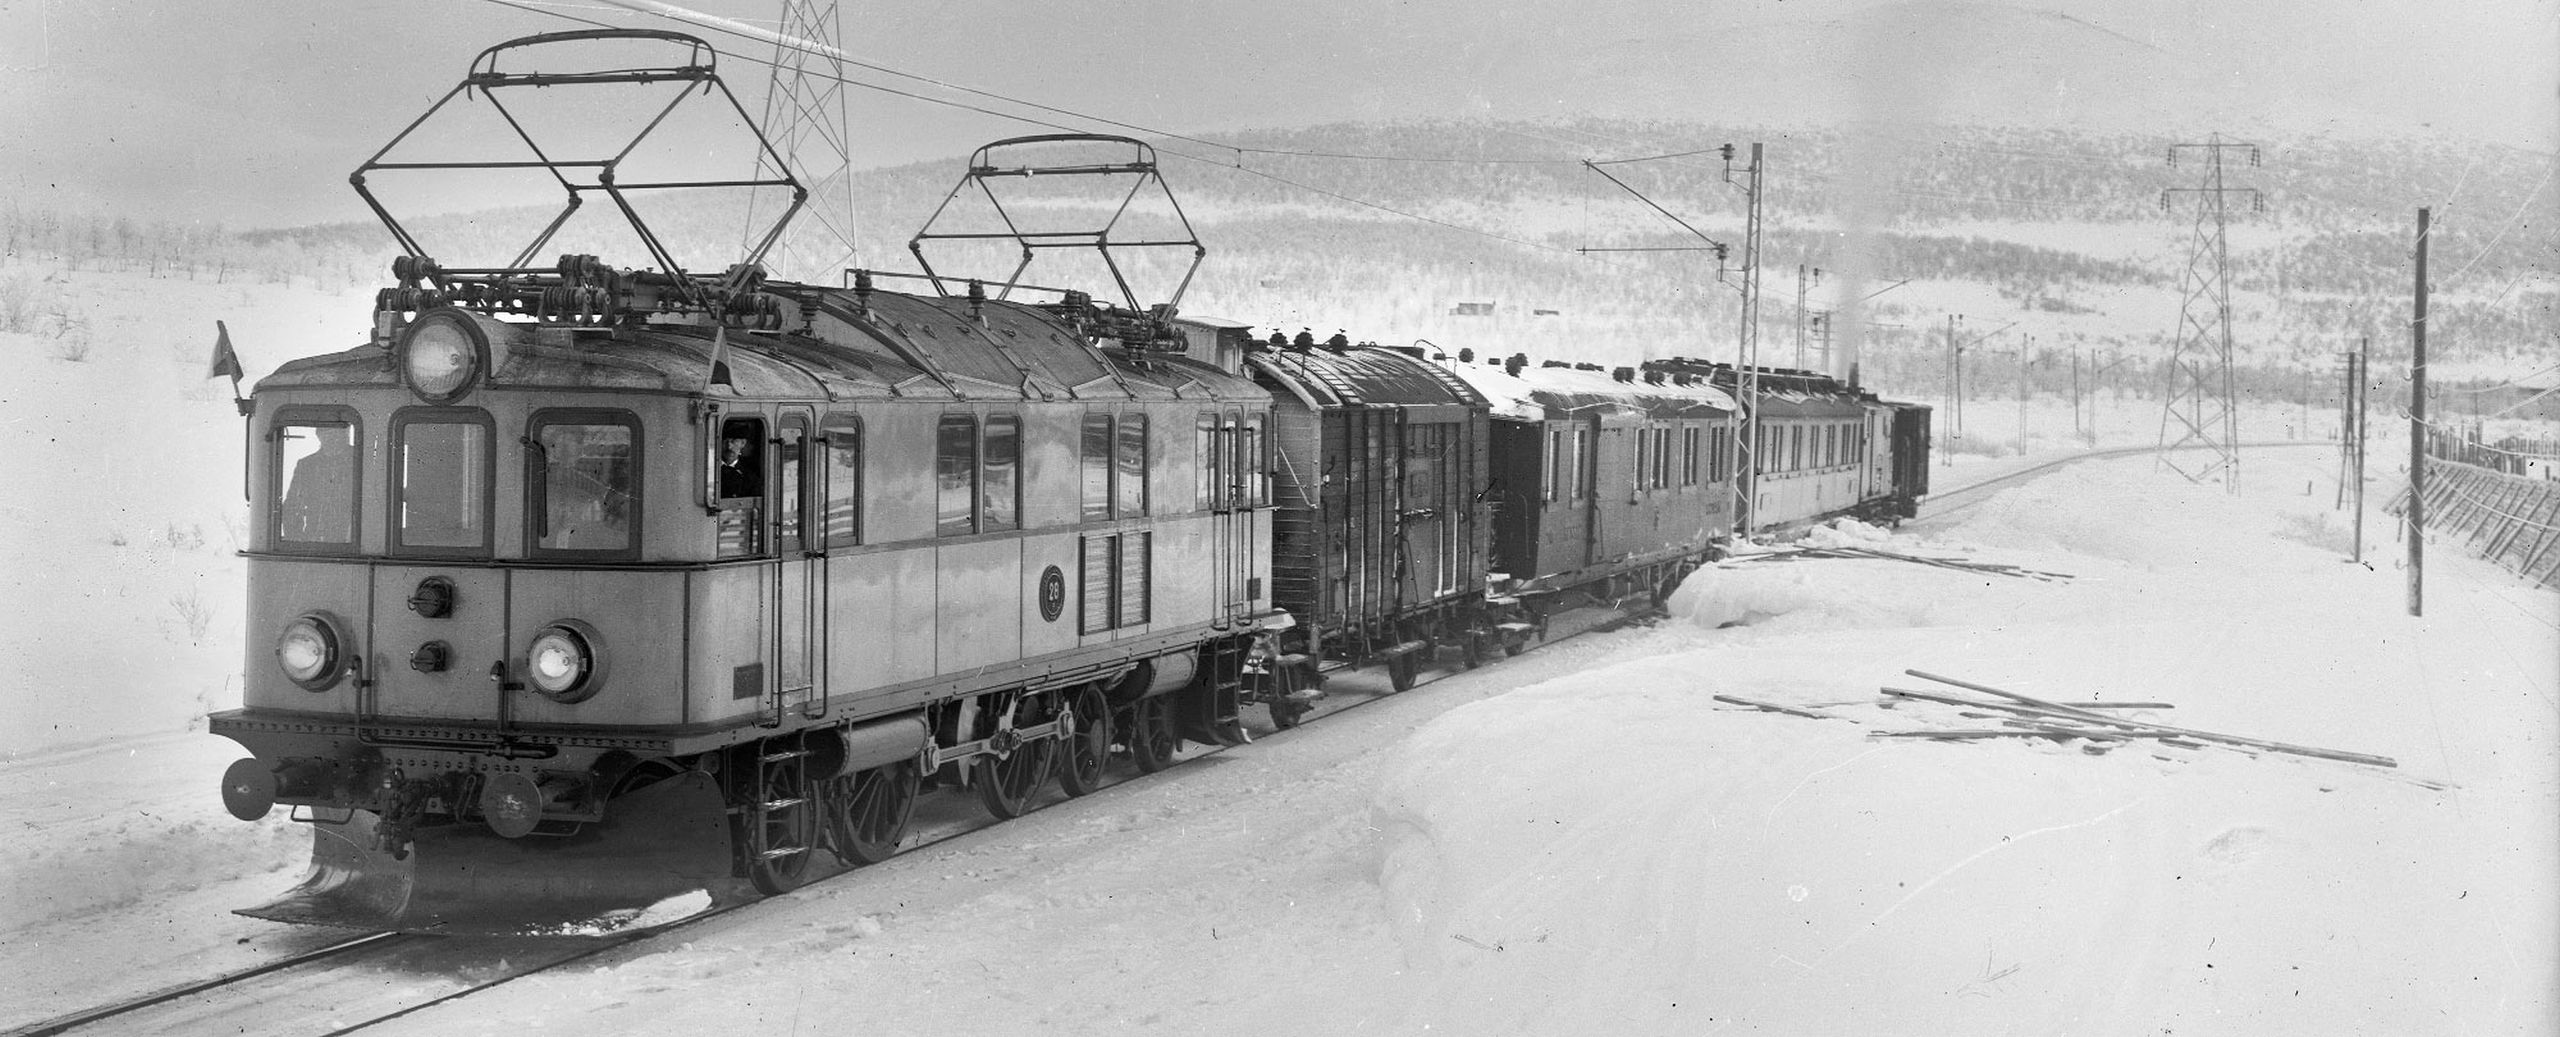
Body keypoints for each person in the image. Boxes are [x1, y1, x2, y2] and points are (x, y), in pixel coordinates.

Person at [719, 431, 760, 499]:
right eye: (725, 441)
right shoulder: (707, 468)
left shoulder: (750, 476)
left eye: (733, 441)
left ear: (743, 443)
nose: (729, 447)